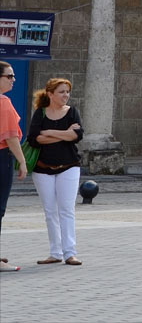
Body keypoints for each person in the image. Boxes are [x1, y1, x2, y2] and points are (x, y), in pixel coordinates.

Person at [29, 77, 84, 266]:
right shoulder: (40, 113)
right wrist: (64, 134)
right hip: (43, 169)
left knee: (67, 210)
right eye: (61, 92)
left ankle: (70, 253)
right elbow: (34, 139)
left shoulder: (72, 112)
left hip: (69, 167)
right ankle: (55, 252)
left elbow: (76, 135)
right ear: (50, 94)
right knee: (50, 211)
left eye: (67, 92)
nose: (66, 95)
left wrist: (49, 133)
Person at [1, 61, 29, 272]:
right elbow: (11, 137)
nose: (13, 80)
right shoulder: (4, 103)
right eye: (9, 76)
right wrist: (22, 160)